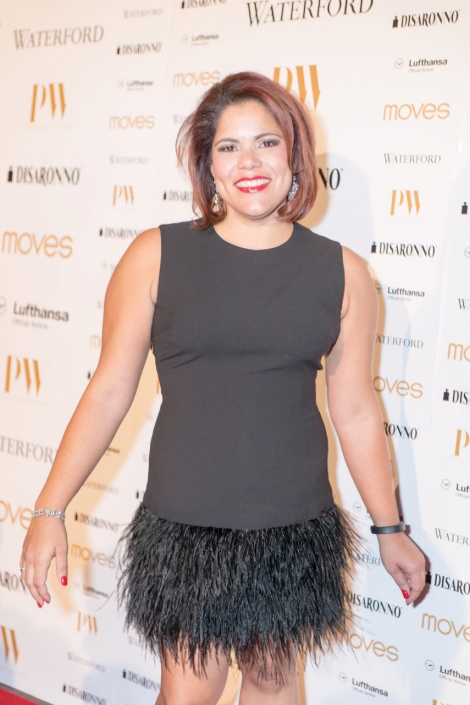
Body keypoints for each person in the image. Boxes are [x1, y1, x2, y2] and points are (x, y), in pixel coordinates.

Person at [20, 72, 426, 705]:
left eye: (267, 142)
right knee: (188, 693)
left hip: (293, 526)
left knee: (274, 686)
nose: (249, 163)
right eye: (229, 147)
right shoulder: (155, 255)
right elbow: (108, 391)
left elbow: (354, 410)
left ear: (295, 155)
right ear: (207, 165)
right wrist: (50, 510)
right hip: (186, 524)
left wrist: (389, 527)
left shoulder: (343, 272)